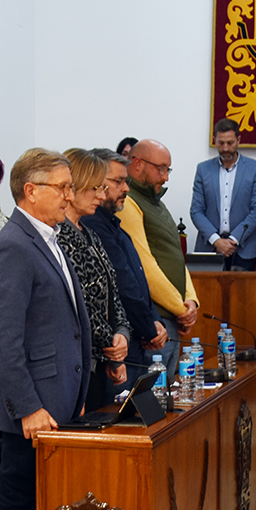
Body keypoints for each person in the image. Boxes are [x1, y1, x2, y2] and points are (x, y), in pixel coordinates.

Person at [0, 149, 91, 510]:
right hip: (32, 405)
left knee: (41, 502)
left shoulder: (48, 238)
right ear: (31, 190)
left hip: (59, 394)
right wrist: (27, 406)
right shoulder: (13, 245)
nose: (69, 195)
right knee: (18, 504)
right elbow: (3, 340)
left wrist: (78, 389)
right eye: (62, 187)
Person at [82, 149, 168, 375]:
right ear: (95, 182)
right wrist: (150, 329)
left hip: (133, 338)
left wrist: (155, 321)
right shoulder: (93, 225)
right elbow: (122, 286)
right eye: (119, 181)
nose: (126, 189)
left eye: (126, 181)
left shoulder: (113, 224)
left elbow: (139, 281)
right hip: (117, 345)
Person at [57, 148, 131, 407]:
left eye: (102, 188)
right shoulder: (58, 237)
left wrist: (122, 333)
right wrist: (112, 347)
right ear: (74, 186)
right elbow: (82, 303)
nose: (101, 196)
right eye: (95, 189)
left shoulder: (90, 234)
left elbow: (112, 292)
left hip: (100, 357)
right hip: (78, 360)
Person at [119, 138, 199, 372]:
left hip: (172, 314)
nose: (165, 177)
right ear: (137, 163)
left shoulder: (156, 203)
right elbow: (144, 264)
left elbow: (175, 256)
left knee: (168, 389)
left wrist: (191, 300)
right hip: (155, 319)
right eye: (160, 169)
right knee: (154, 389)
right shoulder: (129, 202)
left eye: (168, 170)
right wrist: (182, 309)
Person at [189, 119, 256, 270]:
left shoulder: (255, 169)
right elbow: (196, 211)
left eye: (230, 143)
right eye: (221, 143)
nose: (225, 148)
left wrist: (232, 240)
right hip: (210, 247)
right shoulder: (203, 169)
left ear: (238, 140)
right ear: (215, 140)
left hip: (244, 249)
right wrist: (216, 240)